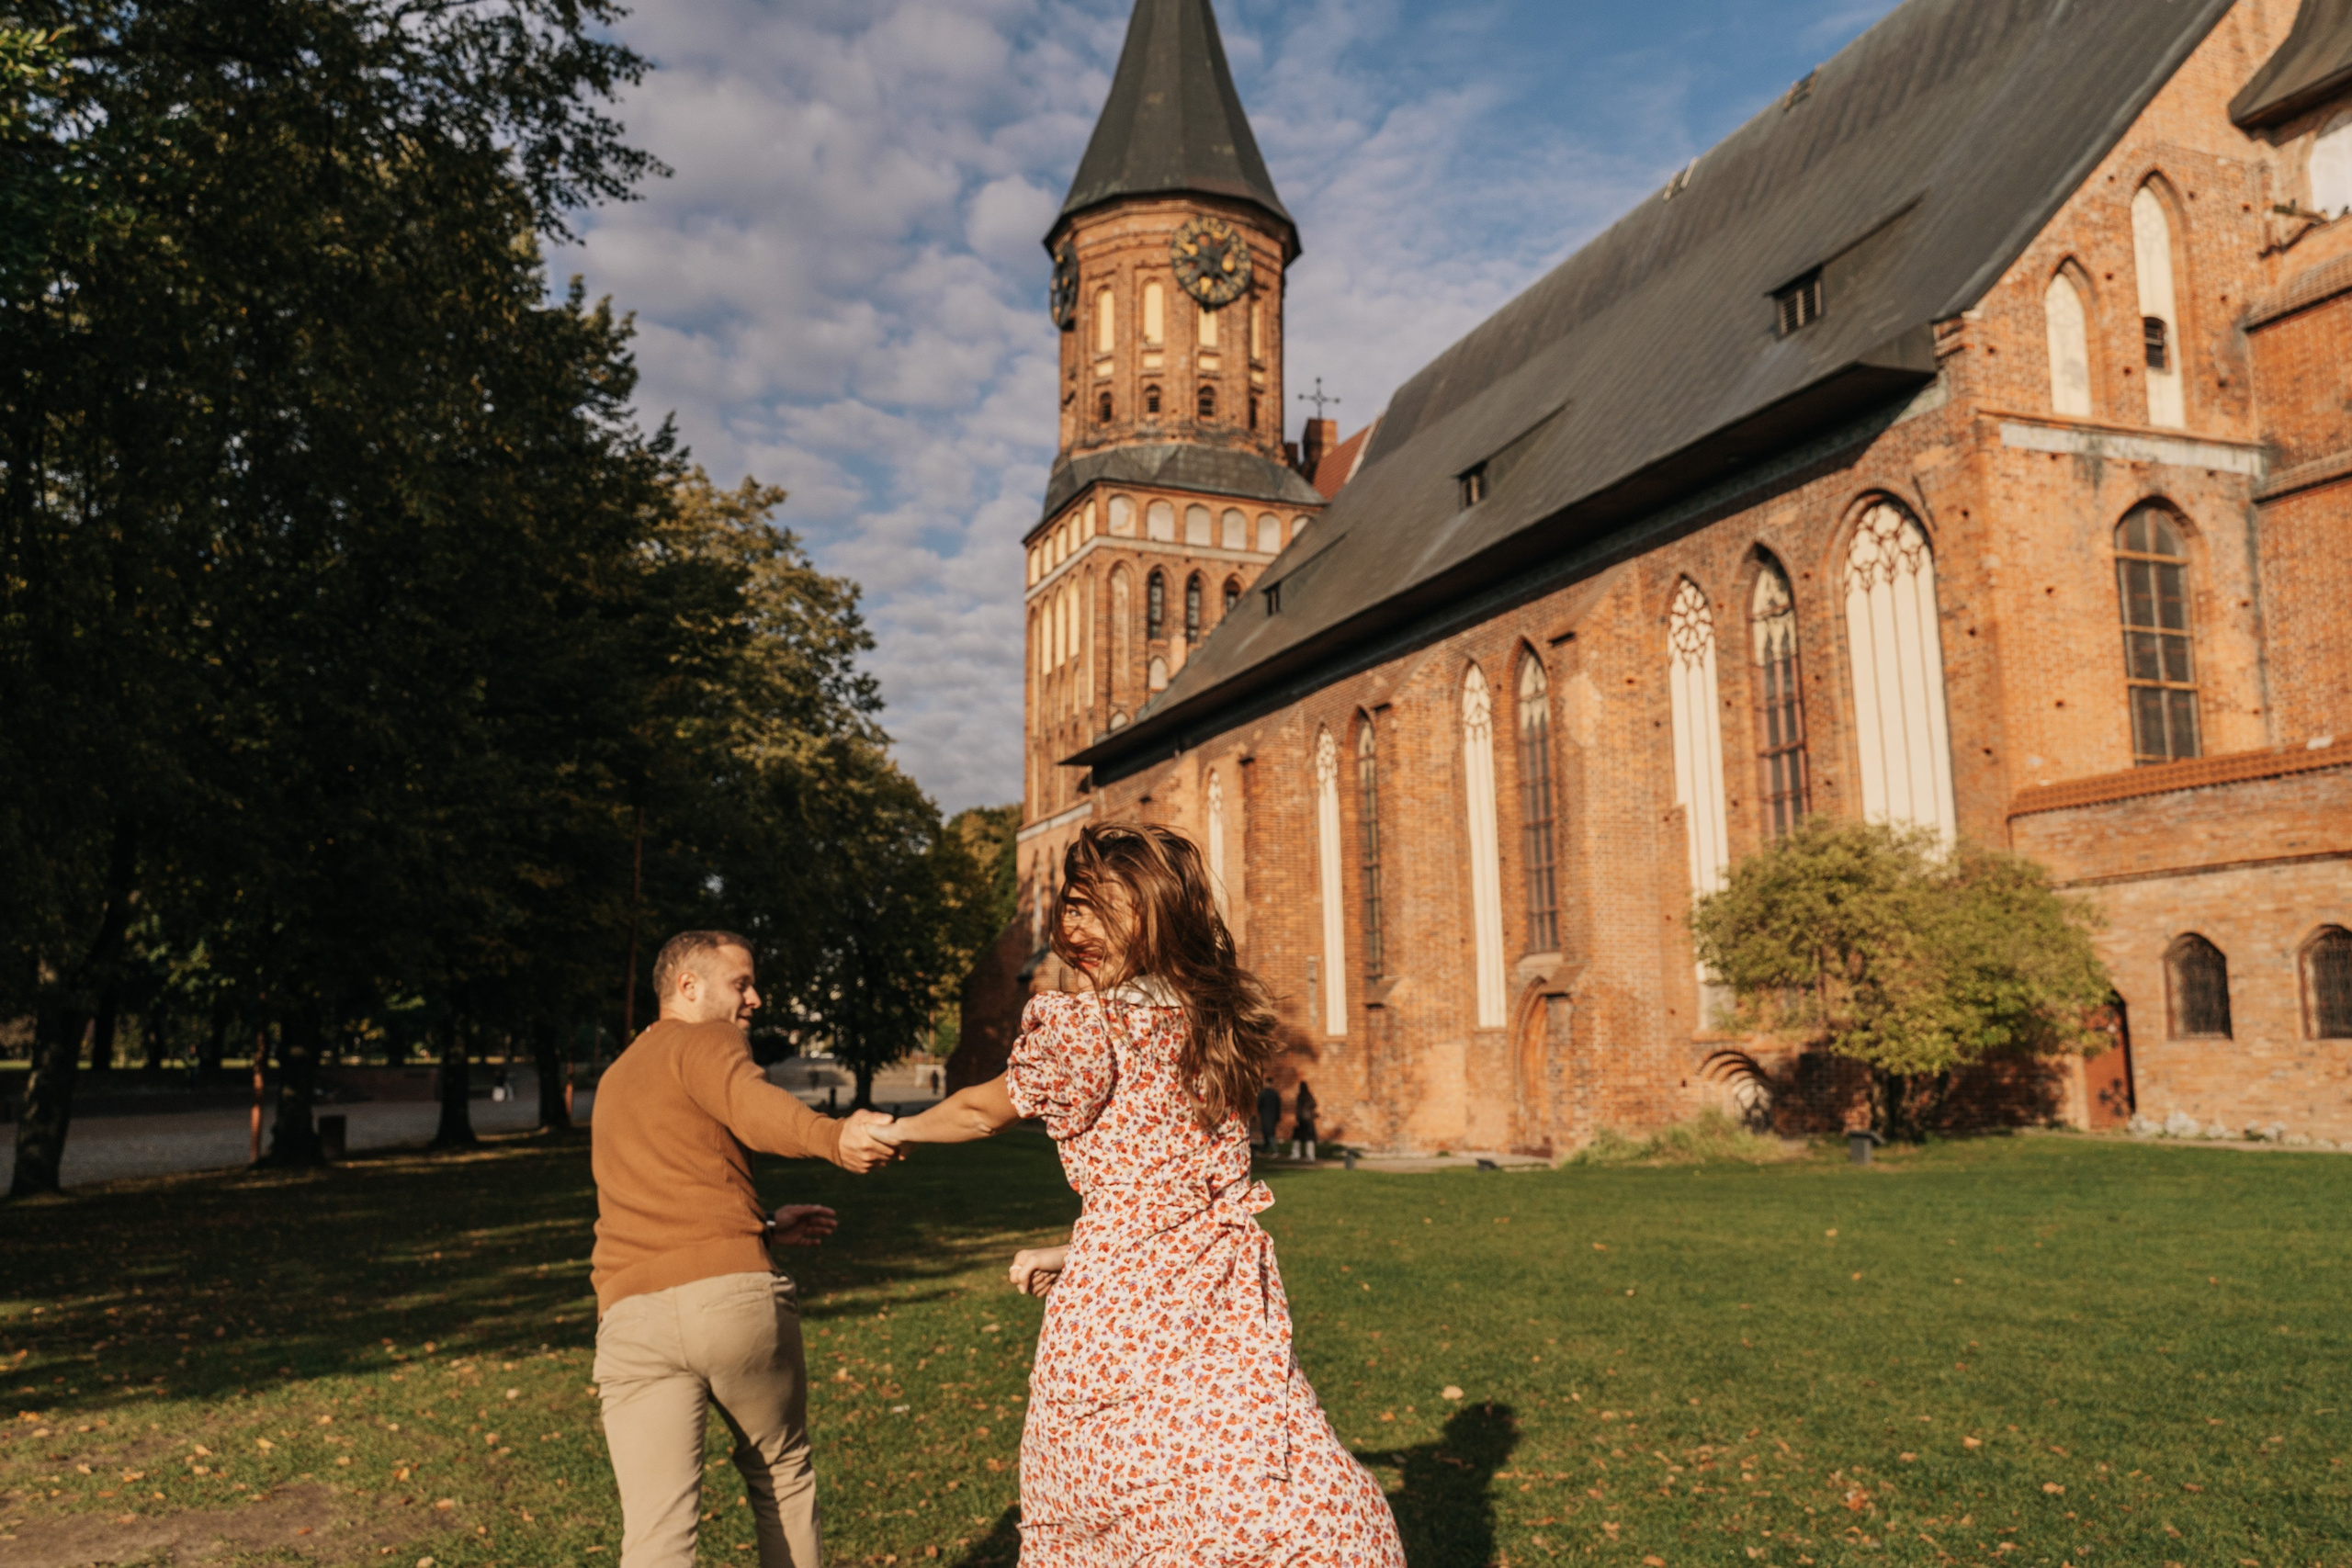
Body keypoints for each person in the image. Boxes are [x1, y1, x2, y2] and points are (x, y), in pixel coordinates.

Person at [877, 826, 1403, 1568]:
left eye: (1099, 909)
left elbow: (977, 1111)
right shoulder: (1211, 1022)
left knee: (1113, 1497)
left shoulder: (1090, 1026)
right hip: (1210, 1293)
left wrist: (893, 1130)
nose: (1075, 927)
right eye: (1073, 906)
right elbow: (1179, 1182)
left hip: (1133, 1310)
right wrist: (1078, 1250)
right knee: (1253, 1469)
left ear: (1155, 916)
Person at [591, 930, 899, 1568]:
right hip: (730, 1305)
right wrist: (835, 1137)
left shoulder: (616, 1078)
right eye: (741, 982)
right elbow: (751, 1105)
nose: (755, 997)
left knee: (656, 1535)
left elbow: (663, 1191)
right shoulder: (706, 1038)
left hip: (629, 1320)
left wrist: (759, 1225)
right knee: (781, 1476)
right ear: (688, 986)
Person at [1292, 1080, 1318, 1163]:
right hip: (1309, 1120)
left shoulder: (1301, 1096)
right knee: (1309, 1138)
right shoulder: (1309, 1096)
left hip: (1302, 1120)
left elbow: (1299, 1109)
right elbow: (1314, 1104)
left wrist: (1297, 1118)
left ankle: (1296, 1154)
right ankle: (1311, 1155)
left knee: (1297, 1137)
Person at [1256, 1080, 1283, 1154]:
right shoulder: (1275, 1094)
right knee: (1269, 1134)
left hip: (1265, 1116)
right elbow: (1278, 1107)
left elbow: (1258, 1104)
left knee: (1269, 1134)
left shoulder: (1263, 1094)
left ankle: (1275, 1150)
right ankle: (1264, 1150)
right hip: (1272, 1117)